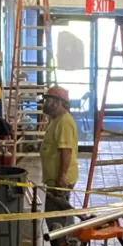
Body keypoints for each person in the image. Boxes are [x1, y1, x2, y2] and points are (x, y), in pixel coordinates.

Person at [40, 86, 79, 235]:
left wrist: (62, 176)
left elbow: (66, 151)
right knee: (60, 212)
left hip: (60, 179)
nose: (45, 103)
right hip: (54, 178)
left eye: (48, 99)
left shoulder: (64, 122)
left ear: (58, 102)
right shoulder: (56, 120)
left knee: (57, 215)